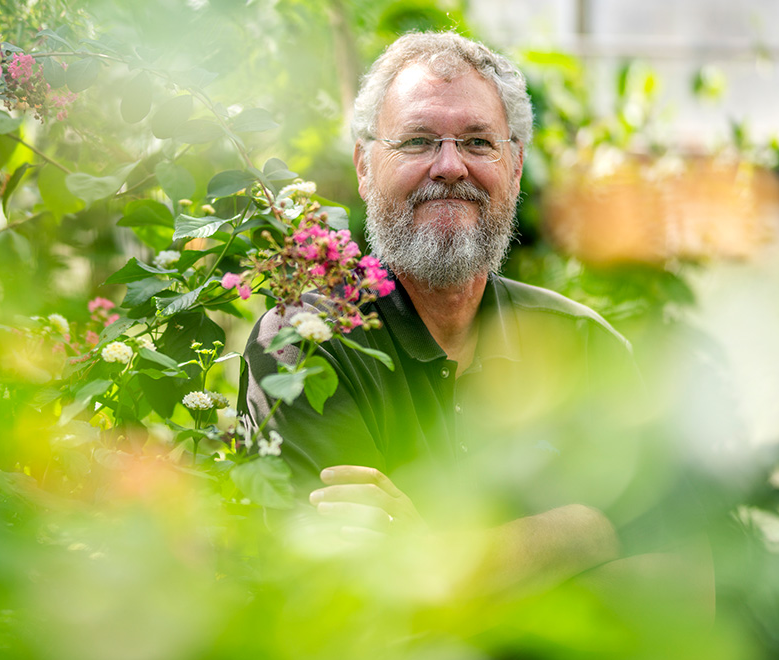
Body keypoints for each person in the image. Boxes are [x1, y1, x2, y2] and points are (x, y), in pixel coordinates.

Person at [241, 32, 713, 607]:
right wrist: (584, 532)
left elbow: (684, 583)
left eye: (478, 141)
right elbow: (346, 601)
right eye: (417, 141)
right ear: (365, 167)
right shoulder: (307, 346)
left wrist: (440, 556)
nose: (449, 166)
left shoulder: (585, 344)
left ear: (514, 166)